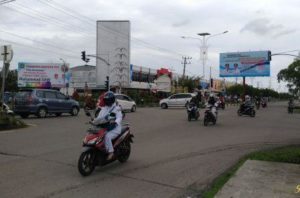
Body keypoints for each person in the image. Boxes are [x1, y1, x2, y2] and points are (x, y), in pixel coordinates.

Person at [92, 91, 123, 160]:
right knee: (96, 136)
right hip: (105, 127)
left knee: (107, 136)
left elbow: (119, 117)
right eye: (106, 100)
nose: (107, 101)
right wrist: (94, 121)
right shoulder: (104, 108)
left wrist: (115, 122)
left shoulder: (116, 108)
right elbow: (100, 117)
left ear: (111, 100)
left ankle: (111, 152)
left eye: (108, 100)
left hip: (115, 128)